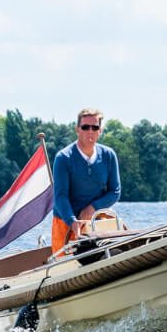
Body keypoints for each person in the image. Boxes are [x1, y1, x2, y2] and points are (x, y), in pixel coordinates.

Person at [52, 107, 121, 253]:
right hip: (65, 223)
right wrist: (72, 221)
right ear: (77, 129)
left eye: (95, 127)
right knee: (65, 266)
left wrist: (93, 208)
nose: (90, 131)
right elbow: (60, 196)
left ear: (100, 131)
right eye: (85, 127)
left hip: (97, 222)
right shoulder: (63, 158)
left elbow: (115, 191)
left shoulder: (109, 156)